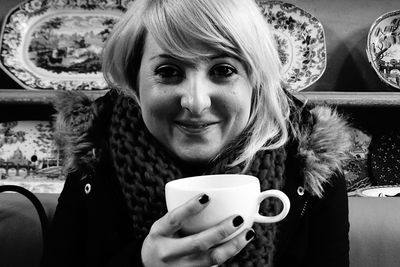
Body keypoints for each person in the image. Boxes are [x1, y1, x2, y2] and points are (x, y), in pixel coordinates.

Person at [43, 0, 350, 266]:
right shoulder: (94, 158)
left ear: (254, 80)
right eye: (168, 72)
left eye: (223, 70)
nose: (196, 101)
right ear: (134, 82)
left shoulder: (310, 166)